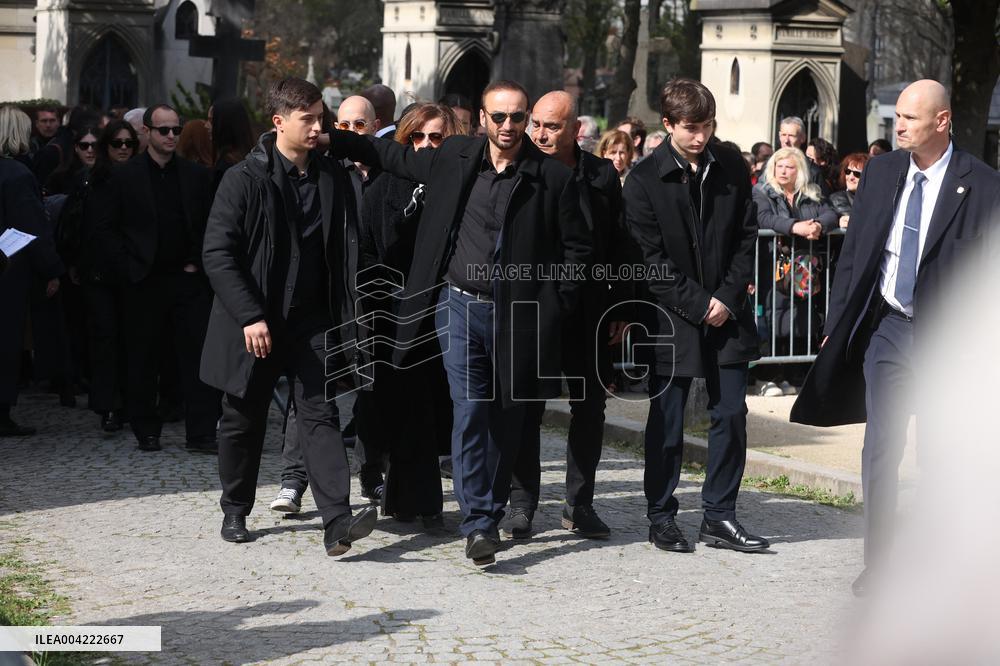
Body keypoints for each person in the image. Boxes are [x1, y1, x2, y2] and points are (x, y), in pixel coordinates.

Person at [328, 79, 591, 566]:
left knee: (506, 420)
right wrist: (329, 135)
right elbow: (391, 157)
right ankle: (478, 524)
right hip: (458, 305)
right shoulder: (455, 158)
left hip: (520, 316)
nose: (509, 126)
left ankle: (487, 512)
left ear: (527, 118)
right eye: (499, 117)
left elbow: (576, 252)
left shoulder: (550, 178)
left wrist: (554, 306)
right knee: (469, 412)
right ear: (484, 119)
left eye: (518, 118)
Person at [791, 80, 1000, 596]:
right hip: (887, 330)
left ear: (943, 121)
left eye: (910, 117)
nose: (899, 125)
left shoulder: (984, 185)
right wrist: (834, 326)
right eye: (898, 116)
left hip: (945, 344)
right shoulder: (883, 173)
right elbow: (856, 255)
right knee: (880, 446)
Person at [201, 77, 378, 554]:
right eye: (310, 119)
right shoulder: (243, 178)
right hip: (257, 320)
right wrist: (249, 315)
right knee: (242, 417)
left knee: (319, 414)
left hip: (314, 320)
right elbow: (218, 254)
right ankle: (235, 509)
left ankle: (337, 521)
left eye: (322, 117)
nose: (320, 127)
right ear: (279, 122)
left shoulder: (333, 176)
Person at [624, 78, 767, 554]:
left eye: (706, 126)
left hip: (727, 313)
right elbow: (649, 260)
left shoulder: (728, 164)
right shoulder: (645, 180)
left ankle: (720, 516)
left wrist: (725, 298)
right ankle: (661, 515)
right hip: (673, 317)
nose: (700, 136)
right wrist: (699, 303)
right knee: (667, 420)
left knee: (731, 415)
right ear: (668, 125)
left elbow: (747, 236)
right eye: (690, 128)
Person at [504, 89, 633, 539]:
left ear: (575, 129)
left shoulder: (600, 174)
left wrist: (621, 305)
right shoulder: (520, 168)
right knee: (526, 407)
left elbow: (619, 242)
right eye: (535, 124)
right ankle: (522, 503)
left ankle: (579, 505)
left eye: (551, 126)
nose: (539, 134)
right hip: (535, 305)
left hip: (591, 308)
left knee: (590, 408)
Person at [93, 104, 221, 453]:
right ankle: (146, 428)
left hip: (187, 280)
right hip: (144, 280)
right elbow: (105, 228)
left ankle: (201, 432)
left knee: (196, 357)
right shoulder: (125, 176)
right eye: (163, 130)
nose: (170, 136)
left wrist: (197, 263)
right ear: (146, 132)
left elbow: (209, 225)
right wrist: (129, 267)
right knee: (143, 358)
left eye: (176, 131)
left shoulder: (195, 176)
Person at [356, 102, 461, 528]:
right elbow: (368, 246)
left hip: (443, 309)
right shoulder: (384, 186)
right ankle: (419, 501)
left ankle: (411, 497)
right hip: (393, 311)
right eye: (417, 137)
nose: (426, 146)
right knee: (406, 408)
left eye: (436, 138)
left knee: (434, 408)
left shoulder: (456, 185)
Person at [753, 147, 838, 394]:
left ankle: (791, 374)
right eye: (779, 166)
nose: (783, 170)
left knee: (800, 319)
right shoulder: (762, 192)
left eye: (789, 166)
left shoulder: (811, 193)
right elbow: (764, 219)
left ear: (799, 170)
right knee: (772, 318)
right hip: (771, 267)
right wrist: (795, 227)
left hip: (803, 270)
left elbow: (831, 213)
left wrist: (819, 226)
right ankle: (766, 376)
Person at [334, 94, 386, 502]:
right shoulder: (331, 173)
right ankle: (296, 479)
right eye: (343, 126)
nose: (350, 134)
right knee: (314, 390)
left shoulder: (389, 174)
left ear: (374, 126)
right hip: (335, 296)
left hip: (378, 299)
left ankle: (371, 474)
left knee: (371, 393)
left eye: (359, 126)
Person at [0, 105, 63, 435]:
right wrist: (52, 269)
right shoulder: (17, 174)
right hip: (9, 271)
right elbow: (31, 227)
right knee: (7, 339)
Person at [79, 120, 139, 432]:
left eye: (129, 143)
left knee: (130, 341)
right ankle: (109, 406)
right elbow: (98, 230)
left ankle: (126, 403)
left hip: (129, 274)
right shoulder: (99, 179)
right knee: (106, 340)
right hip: (103, 275)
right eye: (118, 143)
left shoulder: (136, 176)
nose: (124, 148)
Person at [207, 98, 254, 194]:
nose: (206, 125)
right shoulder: (254, 162)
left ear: (225, 125)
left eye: (212, 121)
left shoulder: (226, 169)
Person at [830, 152, 869, 228]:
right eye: (847, 172)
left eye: (857, 174)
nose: (851, 177)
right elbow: (852, 219)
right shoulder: (838, 198)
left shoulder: (876, 198)